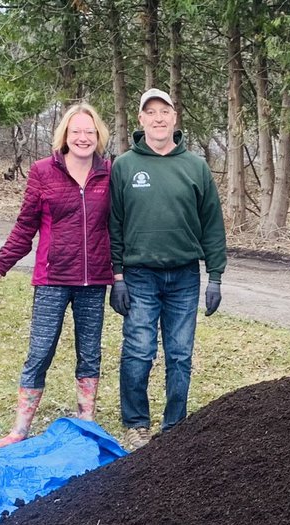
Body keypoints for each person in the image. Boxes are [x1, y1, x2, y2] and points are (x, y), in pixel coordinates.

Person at [0, 103, 113, 446]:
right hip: (52, 279)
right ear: (65, 135)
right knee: (40, 352)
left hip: (94, 280)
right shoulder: (42, 172)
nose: (83, 138)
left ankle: (87, 425)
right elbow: (26, 226)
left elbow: (121, 227)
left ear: (99, 137)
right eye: (76, 131)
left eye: (90, 132)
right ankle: (19, 429)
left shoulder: (111, 173)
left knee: (90, 353)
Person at [108, 88, 227, 450]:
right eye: (151, 112)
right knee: (139, 349)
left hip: (185, 277)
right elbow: (114, 224)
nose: (158, 118)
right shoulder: (125, 166)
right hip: (139, 276)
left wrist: (216, 277)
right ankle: (136, 423)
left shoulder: (195, 166)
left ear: (175, 118)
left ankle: (175, 425)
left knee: (180, 353)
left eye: (165, 111)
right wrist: (118, 277)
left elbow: (212, 224)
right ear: (140, 120)